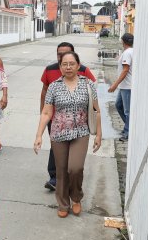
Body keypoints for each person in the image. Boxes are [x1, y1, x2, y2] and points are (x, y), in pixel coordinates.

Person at [34, 51, 102, 218]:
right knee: (62, 170)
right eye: (65, 64)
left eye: (72, 64)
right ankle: (63, 203)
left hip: (81, 132)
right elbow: (46, 112)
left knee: (75, 168)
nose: (68, 67)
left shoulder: (88, 84)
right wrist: (39, 135)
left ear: (78, 66)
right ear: (60, 67)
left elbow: (96, 111)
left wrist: (99, 135)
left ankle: (76, 197)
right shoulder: (54, 86)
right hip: (59, 133)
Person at [39, 42, 96, 191]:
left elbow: (94, 97)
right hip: (56, 118)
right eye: (59, 54)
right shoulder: (50, 70)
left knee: (74, 164)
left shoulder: (83, 71)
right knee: (56, 151)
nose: (63, 58)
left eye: (67, 54)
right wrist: (43, 115)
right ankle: (54, 178)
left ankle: (74, 189)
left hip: (80, 123)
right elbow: (44, 91)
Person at [108, 33, 134, 141]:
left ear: (123, 41)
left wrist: (115, 84)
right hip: (125, 86)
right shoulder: (129, 51)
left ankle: (128, 132)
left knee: (127, 111)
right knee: (118, 105)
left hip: (127, 86)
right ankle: (129, 127)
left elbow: (125, 70)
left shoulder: (128, 53)